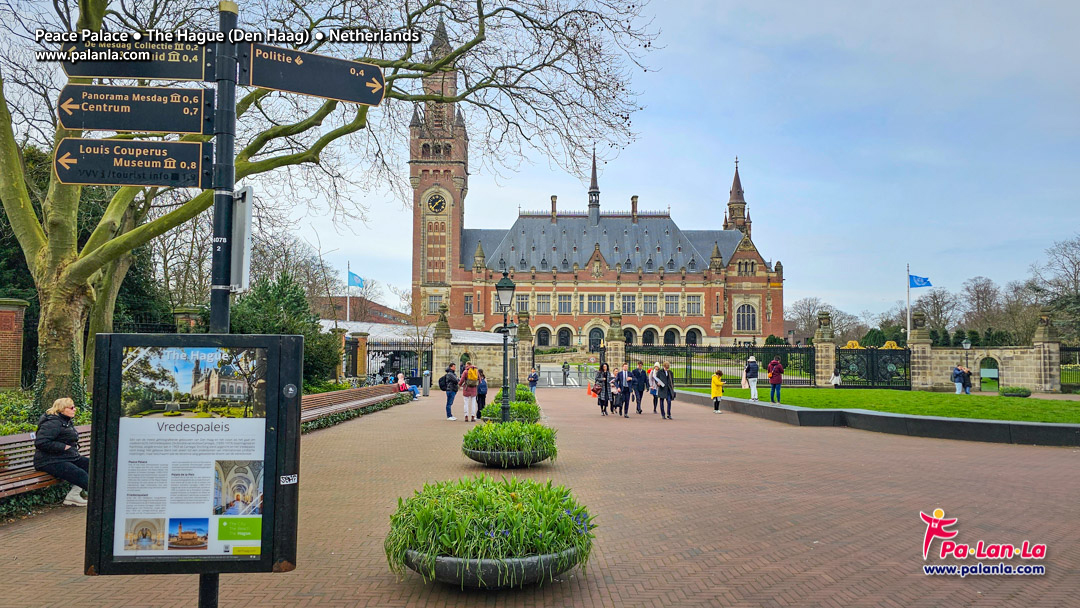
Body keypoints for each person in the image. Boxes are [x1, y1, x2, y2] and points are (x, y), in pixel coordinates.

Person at [33, 397, 88, 507]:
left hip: (67, 457)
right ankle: (101, 500)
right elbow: (41, 442)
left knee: (94, 467)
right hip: (49, 461)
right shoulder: (52, 423)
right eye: (71, 407)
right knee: (80, 474)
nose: (75, 409)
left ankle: (73, 496)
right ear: (62, 409)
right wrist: (63, 447)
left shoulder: (66, 421)